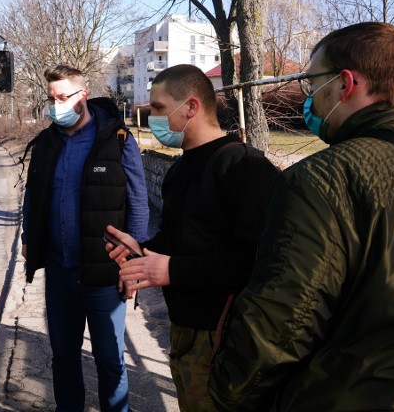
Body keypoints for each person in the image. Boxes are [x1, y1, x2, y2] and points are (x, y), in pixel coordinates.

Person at [209, 22, 394, 411]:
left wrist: (225, 386)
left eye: (312, 82)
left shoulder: (320, 179)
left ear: (345, 84)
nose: (309, 95)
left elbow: (282, 324)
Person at [105, 64, 278, 412]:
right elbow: (174, 242)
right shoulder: (181, 168)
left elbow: (255, 263)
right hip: (183, 329)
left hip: (226, 339)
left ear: (191, 107)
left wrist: (171, 270)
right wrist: (142, 251)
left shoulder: (244, 167)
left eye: (158, 108)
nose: (150, 116)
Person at [21, 64, 149, 412]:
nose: (56, 105)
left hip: (105, 274)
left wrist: (135, 264)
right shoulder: (47, 143)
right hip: (60, 273)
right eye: (51, 98)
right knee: (63, 357)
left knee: (109, 360)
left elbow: (138, 202)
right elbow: (34, 196)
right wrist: (27, 237)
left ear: (83, 95)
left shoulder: (117, 139)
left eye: (63, 97)